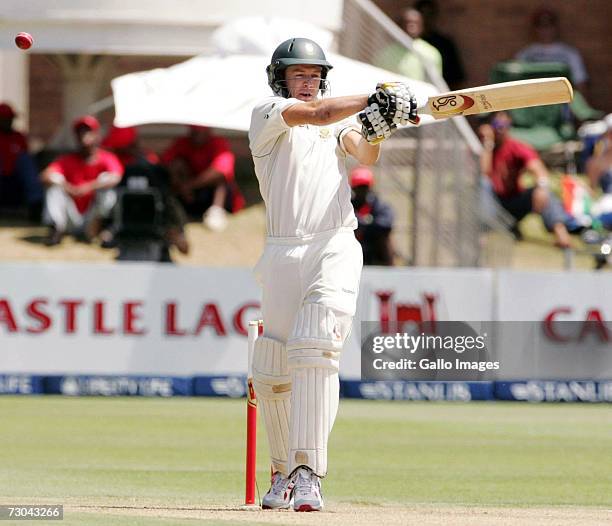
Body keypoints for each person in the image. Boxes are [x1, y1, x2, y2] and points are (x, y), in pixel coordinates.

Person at [248, 37, 418, 511]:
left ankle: (308, 473)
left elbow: (364, 154)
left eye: (314, 75)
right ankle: (281, 472)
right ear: (279, 78)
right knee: (272, 366)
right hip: (282, 250)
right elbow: (317, 114)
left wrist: (380, 126)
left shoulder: (335, 124)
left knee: (315, 346)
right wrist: (374, 97)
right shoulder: (268, 115)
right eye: (298, 75)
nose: (307, 83)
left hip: (334, 243)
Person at [478, 111, 573, 248]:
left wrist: (542, 187)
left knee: (543, 192)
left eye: (504, 124)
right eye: (496, 124)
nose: (500, 129)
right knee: (483, 184)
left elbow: (539, 170)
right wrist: (487, 145)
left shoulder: (516, 146)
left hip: (514, 202)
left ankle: (562, 235)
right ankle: (482, 235)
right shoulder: (481, 148)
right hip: (492, 205)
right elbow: (483, 174)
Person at [102, 125, 189, 255]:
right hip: (127, 250)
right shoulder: (118, 204)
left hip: (157, 253)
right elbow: (101, 236)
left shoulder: (164, 203)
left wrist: (172, 234)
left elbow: (185, 248)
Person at [40, 115, 123, 246]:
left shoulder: (107, 157)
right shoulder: (67, 159)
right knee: (55, 184)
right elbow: (45, 176)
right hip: (71, 215)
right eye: (80, 131)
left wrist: (89, 187)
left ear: (96, 134)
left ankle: (102, 231)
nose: (84, 134)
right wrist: (68, 187)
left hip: (93, 216)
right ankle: (56, 231)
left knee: (106, 183)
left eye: (88, 130)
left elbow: (116, 177)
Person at [161, 125, 244, 232]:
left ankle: (216, 212)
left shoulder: (218, 143)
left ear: (208, 132)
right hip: (191, 195)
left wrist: (190, 185)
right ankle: (178, 209)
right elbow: (165, 161)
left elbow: (221, 171)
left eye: (200, 132)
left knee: (220, 180)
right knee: (177, 164)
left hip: (216, 195)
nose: (197, 135)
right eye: (194, 132)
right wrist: (180, 184)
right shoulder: (183, 143)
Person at [515, 7, 589, 96]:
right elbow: (516, 83)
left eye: (549, 25)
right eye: (541, 26)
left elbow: (580, 83)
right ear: (535, 28)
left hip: (562, 101)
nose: (545, 30)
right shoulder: (525, 54)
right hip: (534, 100)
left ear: (555, 27)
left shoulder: (569, 53)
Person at [374, 7, 443, 82]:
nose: (411, 26)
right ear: (399, 26)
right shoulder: (385, 54)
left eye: (416, 23)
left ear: (422, 27)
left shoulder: (431, 53)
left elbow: (435, 83)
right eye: (407, 23)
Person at [0, 102, 43, 217]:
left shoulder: (19, 137)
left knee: (26, 160)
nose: (8, 121)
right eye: (4, 119)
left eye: (9, 118)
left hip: (16, 182)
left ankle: (36, 205)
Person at [414, 0, 466, 89]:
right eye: (422, 14)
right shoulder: (406, 43)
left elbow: (455, 77)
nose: (426, 19)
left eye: (429, 15)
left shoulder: (444, 44)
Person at [350, 166, 395, 265]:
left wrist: (364, 224)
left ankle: (388, 272)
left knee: (384, 238)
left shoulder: (378, 205)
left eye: (365, 187)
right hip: (354, 249)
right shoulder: (348, 206)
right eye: (358, 187)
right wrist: (369, 222)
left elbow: (386, 225)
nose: (362, 191)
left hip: (374, 249)